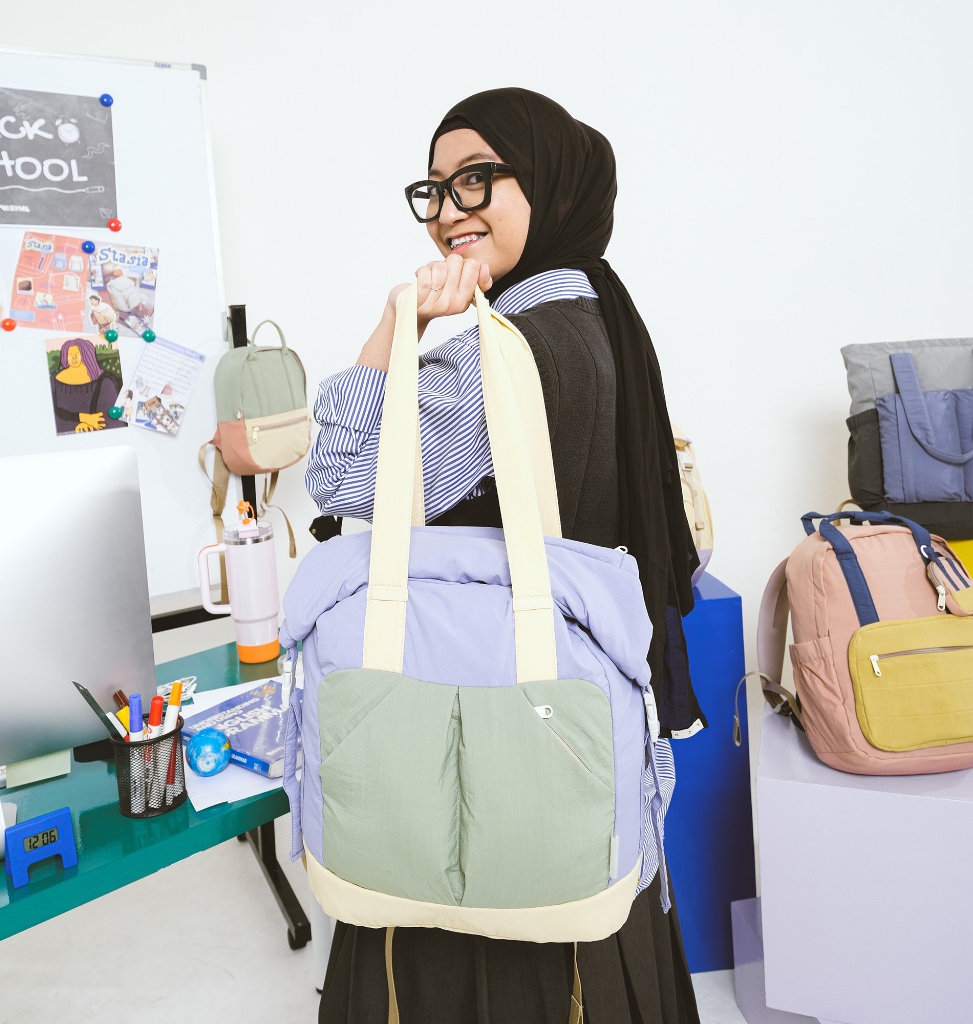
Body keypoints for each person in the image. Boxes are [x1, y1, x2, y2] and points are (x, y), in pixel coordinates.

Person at [304, 87, 703, 1024]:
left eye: (476, 178)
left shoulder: (504, 351)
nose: (449, 210)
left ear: (549, 183)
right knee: (588, 915)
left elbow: (342, 474)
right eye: (434, 188)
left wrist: (398, 321)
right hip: (570, 735)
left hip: (477, 735)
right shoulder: (601, 317)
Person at [51, 336, 124, 434]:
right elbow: (54, 412)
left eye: (77, 354)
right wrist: (82, 419)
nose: (73, 357)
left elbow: (112, 416)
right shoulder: (54, 380)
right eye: (70, 354)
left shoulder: (104, 381)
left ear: (86, 355)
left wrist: (90, 425)